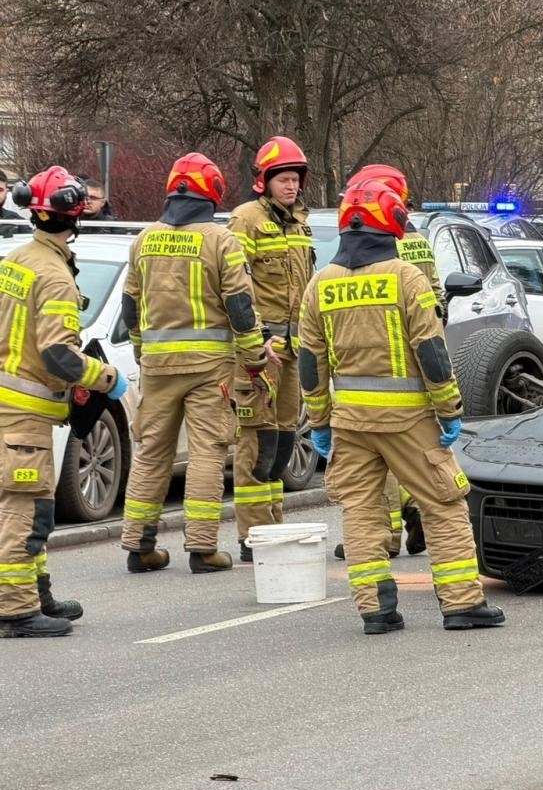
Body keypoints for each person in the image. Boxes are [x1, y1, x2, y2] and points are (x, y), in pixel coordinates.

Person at [299, 180, 503, 636]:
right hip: (409, 419)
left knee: (361, 512)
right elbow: (431, 351)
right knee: (443, 503)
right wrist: (448, 408)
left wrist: (319, 421)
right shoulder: (405, 277)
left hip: (350, 422)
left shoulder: (320, 284)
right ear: (390, 223)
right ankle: (462, 603)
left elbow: (310, 362)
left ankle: (376, 610)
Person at [121, 153, 271, 573]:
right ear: (213, 193)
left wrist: (141, 351)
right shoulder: (221, 240)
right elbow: (240, 307)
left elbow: (130, 306)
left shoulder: (144, 239)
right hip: (209, 368)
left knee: (151, 452)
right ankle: (203, 548)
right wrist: (255, 359)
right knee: (208, 452)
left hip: (157, 366)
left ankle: (138, 546)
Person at [0, 167, 128, 636]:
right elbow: (58, 355)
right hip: (23, 413)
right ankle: (15, 610)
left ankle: (38, 595)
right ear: (75, 216)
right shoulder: (54, 275)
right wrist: (107, 377)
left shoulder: (17, 260)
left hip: (12, 407)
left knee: (32, 508)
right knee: (24, 511)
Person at [329, 164, 434, 562]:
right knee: (418, 459)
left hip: (375, 366)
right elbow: (435, 299)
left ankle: (386, 535)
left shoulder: (376, 248)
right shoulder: (417, 241)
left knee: (379, 462)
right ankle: (415, 508)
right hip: (418, 367)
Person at [228, 137, 317, 562]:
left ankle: (273, 525)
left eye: (295, 179)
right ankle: (252, 535)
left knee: (282, 441)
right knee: (257, 442)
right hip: (260, 350)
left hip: (293, 348)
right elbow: (235, 286)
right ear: (264, 181)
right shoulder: (245, 220)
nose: (291, 185)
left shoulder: (300, 223)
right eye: (283, 179)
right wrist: (257, 338)